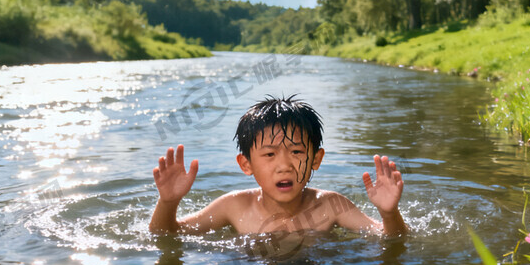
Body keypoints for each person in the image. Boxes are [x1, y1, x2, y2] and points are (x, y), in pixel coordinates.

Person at [148, 95, 407, 236]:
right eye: (270, 155)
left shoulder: (330, 206)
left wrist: (388, 213)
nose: (285, 166)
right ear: (246, 164)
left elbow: (389, 237)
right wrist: (168, 203)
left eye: (296, 151)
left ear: (316, 159)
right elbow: (167, 234)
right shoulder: (234, 206)